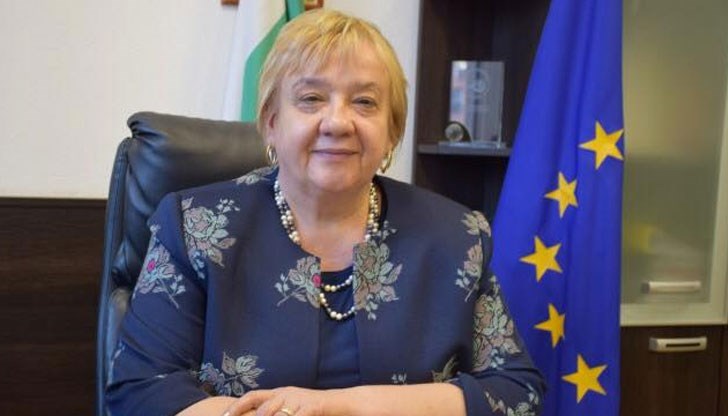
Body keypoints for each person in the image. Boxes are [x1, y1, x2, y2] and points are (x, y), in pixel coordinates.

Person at [106, 8, 545, 416]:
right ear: (272, 123)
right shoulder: (196, 227)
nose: (337, 122)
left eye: (365, 102)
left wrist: (340, 406)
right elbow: (141, 390)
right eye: (311, 98)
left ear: (392, 130)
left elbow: (515, 394)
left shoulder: (457, 236)